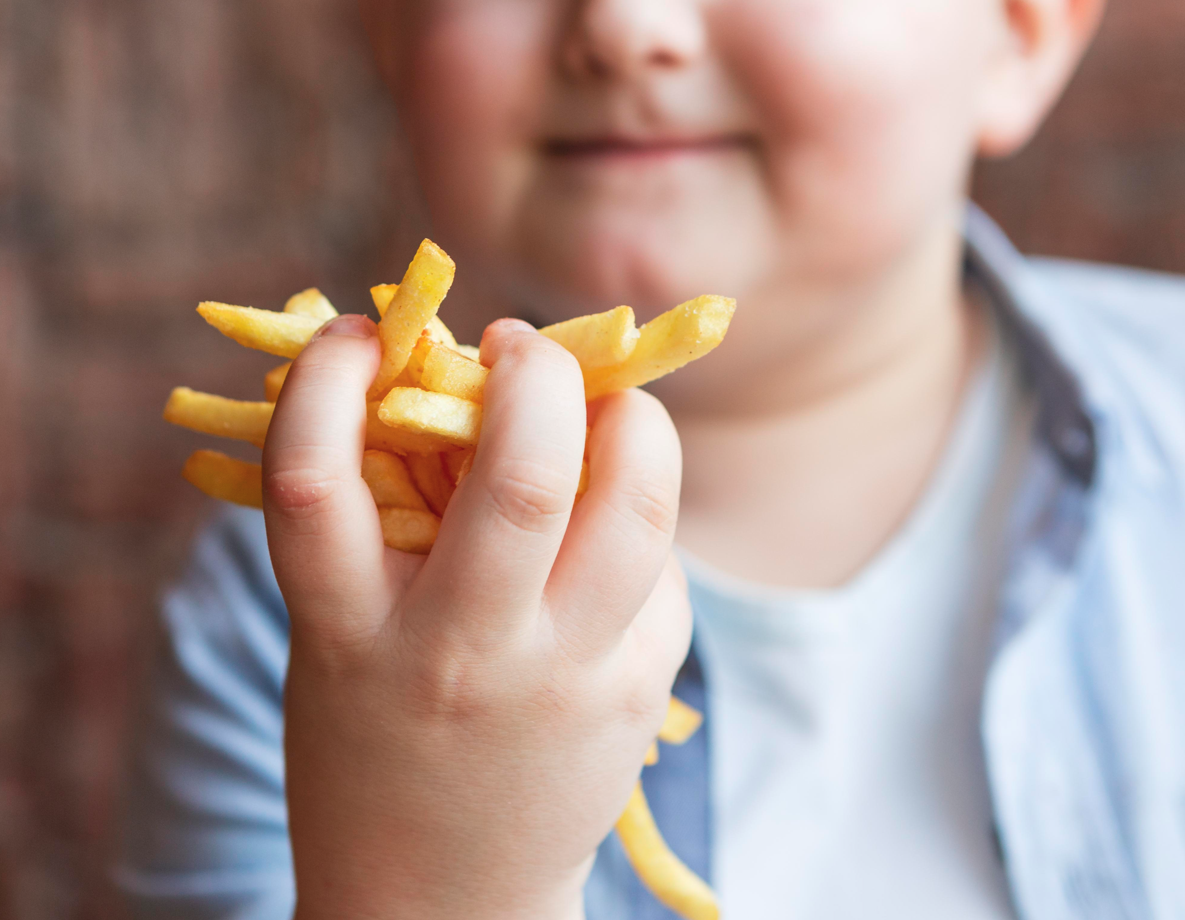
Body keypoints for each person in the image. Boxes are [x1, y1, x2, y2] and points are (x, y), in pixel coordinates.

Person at [117, 0, 1185, 918]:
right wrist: (426, 879)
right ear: (387, 32)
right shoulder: (285, 603)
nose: (624, 25)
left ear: (1020, 32)